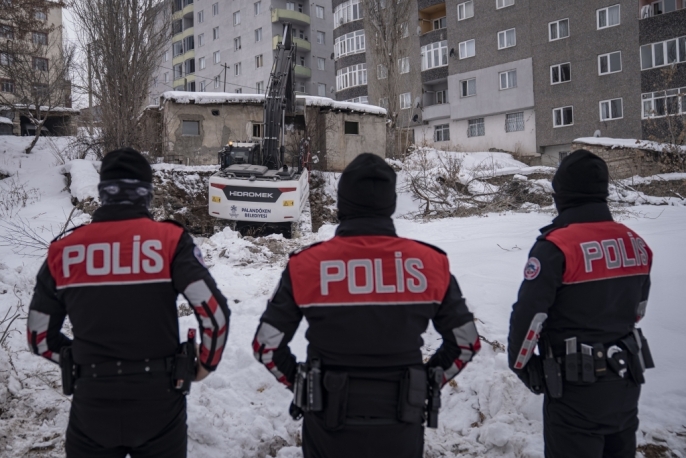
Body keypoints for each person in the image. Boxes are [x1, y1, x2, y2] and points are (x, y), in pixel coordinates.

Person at [252, 153, 480, 458]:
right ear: (391, 203)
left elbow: (266, 346)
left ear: (342, 202)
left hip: (328, 428)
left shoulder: (306, 265)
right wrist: (425, 384)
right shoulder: (430, 264)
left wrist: (303, 386)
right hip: (401, 428)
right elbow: (466, 342)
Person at [27, 148, 231, 458]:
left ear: (103, 193)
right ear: (146, 194)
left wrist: (78, 361)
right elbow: (215, 315)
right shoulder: (170, 242)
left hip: (92, 402)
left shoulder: (64, 251)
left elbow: (39, 337)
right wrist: (205, 364)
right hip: (159, 402)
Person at [508, 150, 654, 458]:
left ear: (562, 194)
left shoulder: (556, 247)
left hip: (575, 390)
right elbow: (638, 310)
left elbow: (529, 316)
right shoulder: (636, 243)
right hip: (626, 382)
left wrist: (521, 364)